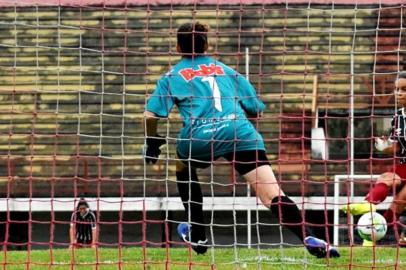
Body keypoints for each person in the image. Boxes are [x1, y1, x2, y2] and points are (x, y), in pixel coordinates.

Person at [144, 21, 339, 258]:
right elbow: (256, 110)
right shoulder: (227, 70)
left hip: (199, 138)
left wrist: (152, 141)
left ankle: (197, 231)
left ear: (177, 46)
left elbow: (150, 114)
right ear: (207, 43)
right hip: (239, 132)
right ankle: (307, 236)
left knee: (182, 165)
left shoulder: (171, 76)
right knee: (271, 194)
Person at [342, 72, 406, 245]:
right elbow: (398, 146)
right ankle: (368, 206)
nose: (399, 93)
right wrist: (385, 147)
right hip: (404, 164)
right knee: (385, 179)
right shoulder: (398, 117)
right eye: (396, 89)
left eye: (404, 89)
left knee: (401, 200)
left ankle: (383, 231)